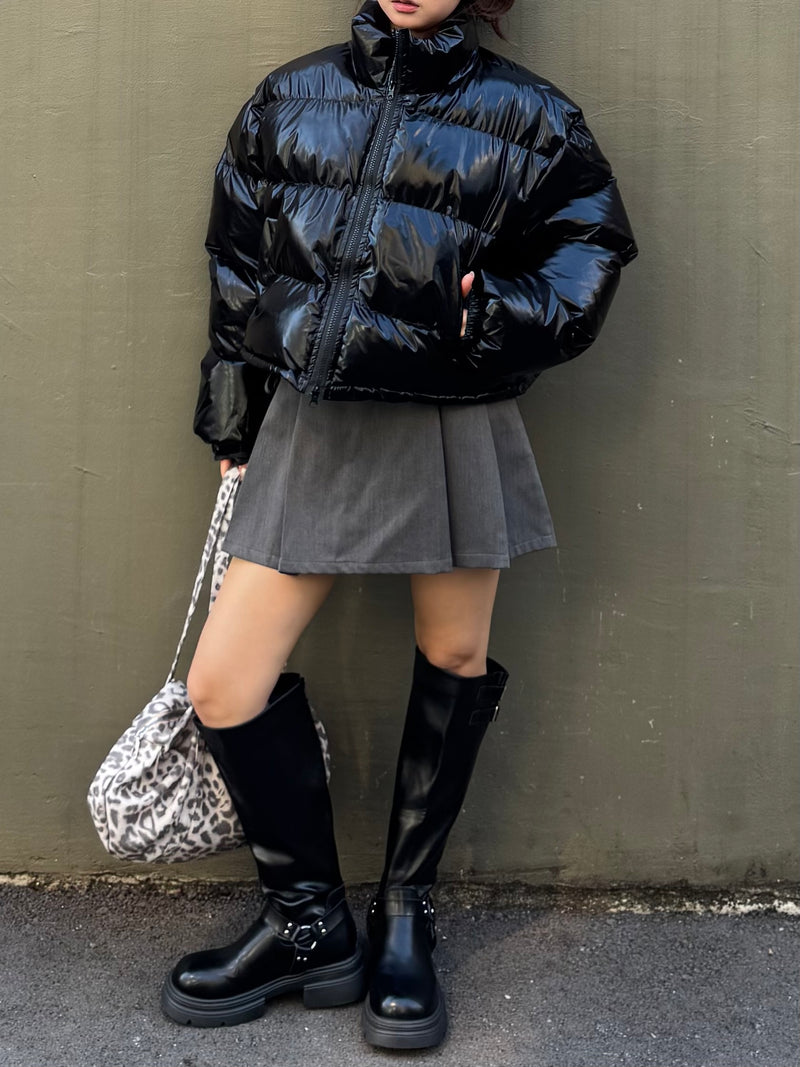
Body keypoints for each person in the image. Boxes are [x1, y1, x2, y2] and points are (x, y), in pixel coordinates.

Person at [160, 0, 638, 1050]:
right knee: (222, 682)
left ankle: (404, 916)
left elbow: (590, 250)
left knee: (453, 654)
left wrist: (488, 313)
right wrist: (233, 400)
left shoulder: (531, 117)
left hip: (451, 414)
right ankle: (309, 927)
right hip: (317, 417)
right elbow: (238, 259)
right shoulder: (289, 98)